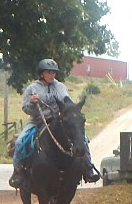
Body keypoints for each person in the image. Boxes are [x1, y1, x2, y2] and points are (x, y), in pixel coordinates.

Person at [9, 59, 100, 188]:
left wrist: (72, 109)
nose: (52, 75)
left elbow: (67, 102)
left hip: (57, 121)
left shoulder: (60, 87)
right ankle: (18, 172)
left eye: (54, 73)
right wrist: (32, 102)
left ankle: (88, 168)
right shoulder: (32, 88)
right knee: (20, 141)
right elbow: (25, 108)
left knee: (83, 139)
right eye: (49, 72)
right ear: (41, 74)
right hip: (37, 121)